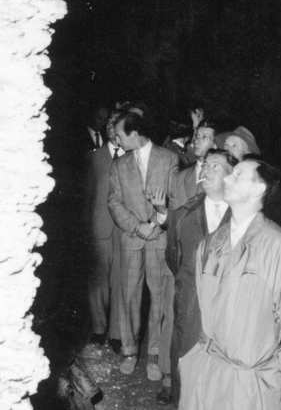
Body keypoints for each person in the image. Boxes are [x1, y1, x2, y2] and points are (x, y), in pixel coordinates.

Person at [178, 159, 281, 410]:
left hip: (253, 384)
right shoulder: (210, 243)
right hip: (209, 373)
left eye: (237, 175)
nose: (227, 178)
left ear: (258, 189)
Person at [154, 149, 237, 405]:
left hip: (229, 312)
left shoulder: (242, 217)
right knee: (186, 369)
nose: (206, 170)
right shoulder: (182, 215)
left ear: (231, 176)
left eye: (215, 166)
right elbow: (174, 259)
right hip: (190, 307)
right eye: (206, 165)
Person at [107, 110, 179, 382]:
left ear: (135, 133)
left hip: (159, 238)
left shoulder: (169, 158)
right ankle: (129, 351)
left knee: (159, 297)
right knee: (129, 297)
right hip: (132, 238)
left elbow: (174, 198)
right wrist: (138, 227)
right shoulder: (119, 164)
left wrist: (157, 223)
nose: (117, 140)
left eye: (120, 135)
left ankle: (154, 354)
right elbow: (114, 202)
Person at [85, 108, 124, 350]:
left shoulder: (133, 157)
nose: (113, 130)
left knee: (121, 282)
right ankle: (98, 329)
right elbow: (87, 196)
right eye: (110, 125)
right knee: (98, 282)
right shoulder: (93, 158)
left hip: (125, 230)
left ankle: (117, 333)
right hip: (99, 228)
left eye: (117, 125)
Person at [170, 120, 218, 210]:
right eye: (197, 136)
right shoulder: (180, 177)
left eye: (204, 137)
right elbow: (174, 214)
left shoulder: (224, 176)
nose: (197, 141)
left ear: (215, 145)